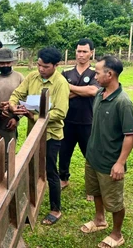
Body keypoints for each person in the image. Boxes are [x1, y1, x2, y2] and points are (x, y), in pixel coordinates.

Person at [9, 47, 69, 225]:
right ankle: (30, 205)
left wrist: (34, 116)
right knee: (31, 170)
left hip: (51, 135)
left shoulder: (60, 83)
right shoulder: (32, 77)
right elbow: (17, 93)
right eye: (39, 65)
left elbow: (60, 112)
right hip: (33, 135)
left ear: (56, 65)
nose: (41, 69)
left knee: (50, 171)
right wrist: (13, 105)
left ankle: (55, 209)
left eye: (45, 66)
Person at [81, 56, 133, 248]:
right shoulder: (99, 95)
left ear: (109, 74)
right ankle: (99, 220)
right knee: (95, 191)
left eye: (97, 72)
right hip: (93, 156)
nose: (94, 75)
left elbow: (130, 135)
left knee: (114, 201)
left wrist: (120, 162)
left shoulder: (123, 102)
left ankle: (116, 233)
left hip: (110, 161)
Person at [59, 39, 99, 200]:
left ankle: (92, 187)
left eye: (84, 51)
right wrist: (82, 90)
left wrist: (70, 87)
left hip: (88, 121)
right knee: (64, 152)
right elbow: (62, 94)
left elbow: (94, 91)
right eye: (78, 51)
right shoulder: (66, 72)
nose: (80, 54)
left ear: (91, 53)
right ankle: (63, 179)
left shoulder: (96, 72)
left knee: (90, 155)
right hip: (67, 120)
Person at [0, 48, 24, 165]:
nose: (5, 65)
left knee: (8, 158)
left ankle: (8, 181)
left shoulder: (19, 78)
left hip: (11, 124)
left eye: (7, 63)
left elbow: (24, 101)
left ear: (12, 62)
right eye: (2, 63)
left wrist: (16, 118)